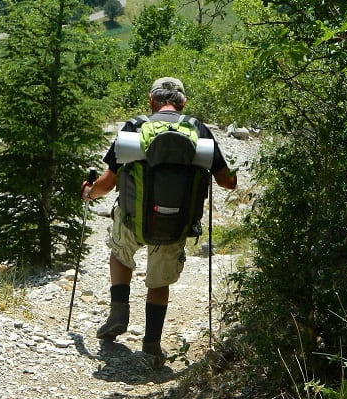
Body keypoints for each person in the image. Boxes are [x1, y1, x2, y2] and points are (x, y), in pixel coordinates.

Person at [81, 77, 237, 368]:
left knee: (120, 252)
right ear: (183, 103)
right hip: (176, 222)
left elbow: (109, 181)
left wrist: (90, 192)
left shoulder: (135, 127)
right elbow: (226, 181)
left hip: (132, 219)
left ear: (151, 101)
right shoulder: (198, 130)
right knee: (160, 279)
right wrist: (235, 177)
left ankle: (118, 313)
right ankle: (151, 345)